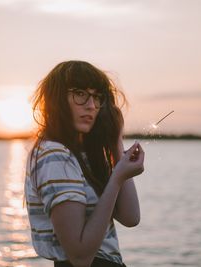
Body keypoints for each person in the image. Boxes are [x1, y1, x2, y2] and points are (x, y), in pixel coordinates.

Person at [24, 60, 145, 267]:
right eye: (80, 93)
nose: (91, 105)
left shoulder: (81, 155)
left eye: (97, 97)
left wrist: (116, 146)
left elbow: (131, 217)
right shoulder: (55, 156)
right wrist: (117, 178)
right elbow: (80, 256)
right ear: (57, 99)